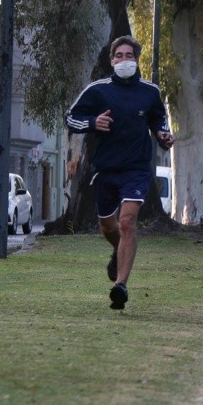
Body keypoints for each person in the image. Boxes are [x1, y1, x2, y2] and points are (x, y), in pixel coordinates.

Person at [66, 35, 175, 310]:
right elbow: (70, 117)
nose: (125, 60)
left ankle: (121, 286)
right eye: (119, 56)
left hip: (137, 169)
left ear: (136, 60)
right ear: (111, 60)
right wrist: (93, 121)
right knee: (108, 226)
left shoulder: (150, 92)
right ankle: (118, 249)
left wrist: (163, 135)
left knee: (127, 222)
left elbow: (158, 120)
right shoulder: (98, 90)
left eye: (130, 55)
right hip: (106, 169)